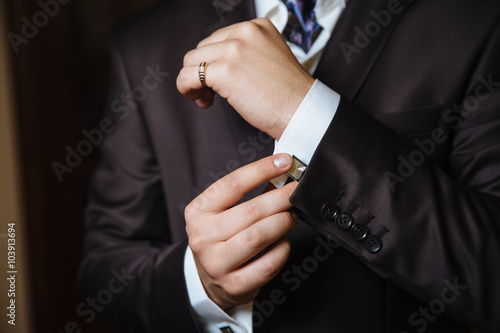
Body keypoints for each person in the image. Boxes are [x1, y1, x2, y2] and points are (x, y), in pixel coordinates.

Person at [78, 0, 500, 332]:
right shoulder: (144, 43)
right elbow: (106, 268)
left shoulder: (476, 21)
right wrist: (200, 286)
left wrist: (302, 108)